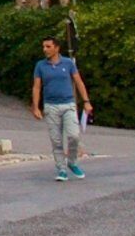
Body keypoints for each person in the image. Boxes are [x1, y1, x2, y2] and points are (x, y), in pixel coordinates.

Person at [30, 36, 91, 179]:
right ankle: (61, 169)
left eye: (48, 46)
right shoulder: (40, 65)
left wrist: (86, 101)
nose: (45, 49)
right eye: (44, 46)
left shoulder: (68, 63)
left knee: (73, 136)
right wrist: (36, 107)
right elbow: (37, 87)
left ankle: (72, 162)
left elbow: (78, 82)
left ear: (56, 48)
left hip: (68, 104)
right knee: (56, 140)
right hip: (51, 106)